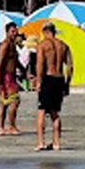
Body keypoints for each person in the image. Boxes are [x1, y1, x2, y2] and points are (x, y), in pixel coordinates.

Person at [35, 22, 72, 151]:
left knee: (41, 111)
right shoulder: (64, 45)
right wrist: (67, 84)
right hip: (60, 79)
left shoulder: (43, 45)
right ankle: (56, 143)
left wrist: (38, 81)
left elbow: (40, 65)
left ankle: (40, 142)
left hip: (48, 78)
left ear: (45, 32)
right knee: (55, 112)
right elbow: (70, 67)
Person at [0, 23, 21, 136]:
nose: (15, 33)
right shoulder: (5, 45)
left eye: (15, 31)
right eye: (12, 31)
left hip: (11, 76)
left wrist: (24, 71)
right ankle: (10, 126)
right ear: (7, 32)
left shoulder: (13, 45)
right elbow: (0, 62)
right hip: (6, 76)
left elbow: (16, 61)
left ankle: (1, 127)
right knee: (14, 101)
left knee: (4, 102)